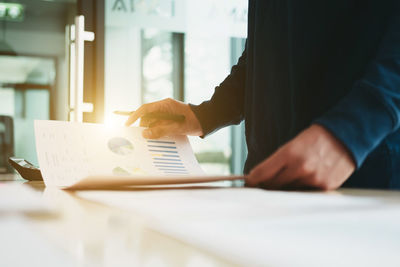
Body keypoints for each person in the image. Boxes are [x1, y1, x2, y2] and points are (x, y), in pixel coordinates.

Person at [126, 1, 400, 190]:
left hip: (364, 171)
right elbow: (262, 50)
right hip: (270, 178)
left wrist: (349, 134)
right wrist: (205, 114)